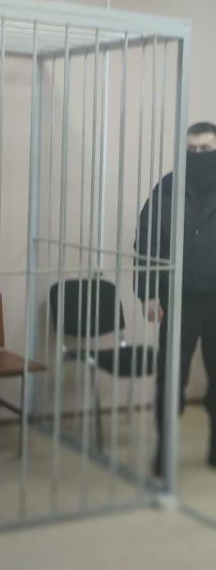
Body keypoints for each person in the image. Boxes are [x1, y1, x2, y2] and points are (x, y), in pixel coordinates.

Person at [135, 121, 216, 476]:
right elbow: (147, 241)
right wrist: (147, 292)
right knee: (170, 379)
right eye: (191, 149)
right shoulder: (168, 186)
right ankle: (165, 451)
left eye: (206, 149)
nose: (197, 155)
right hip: (178, 298)